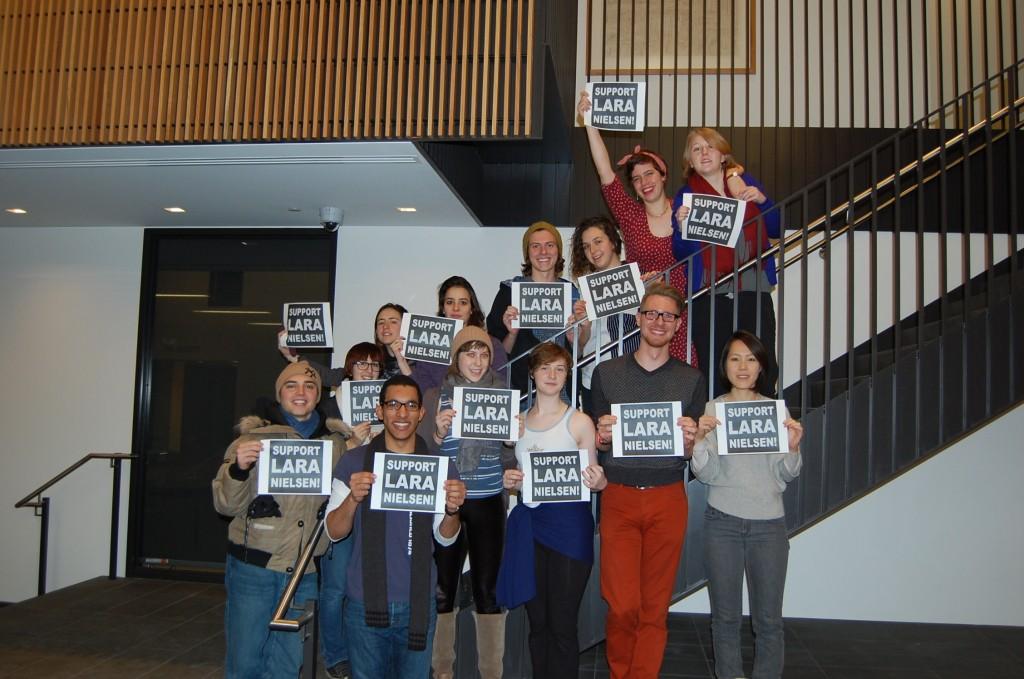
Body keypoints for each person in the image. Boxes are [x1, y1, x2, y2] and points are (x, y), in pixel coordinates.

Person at [590, 282, 708, 679]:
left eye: (668, 316)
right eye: (652, 313)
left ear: (678, 325)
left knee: (655, 607)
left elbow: (690, 454)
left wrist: (692, 442)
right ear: (638, 318)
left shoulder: (692, 379)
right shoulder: (605, 374)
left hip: (668, 496)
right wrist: (601, 436)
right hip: (619, 497)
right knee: (621, 604)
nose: (659, 321)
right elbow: (598, 441)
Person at [578, 90, 739, 367]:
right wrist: (589, 123)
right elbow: (605, 172)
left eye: (650, 173)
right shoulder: (630, 216)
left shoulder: (686, 207)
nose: (644, 182)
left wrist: (735, 175)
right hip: (650, 314)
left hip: (688, 311)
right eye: (637, 179)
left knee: (691, 376)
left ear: (663, 175)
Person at [323, 374, 467, 679]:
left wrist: (453, 510)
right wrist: (352, 498)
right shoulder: (354, 461)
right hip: (364, 603)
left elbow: (445, 539)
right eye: (393, 405)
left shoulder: (440, 465)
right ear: (379, 411)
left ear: (421, 413)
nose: (402, 414)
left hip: (417, 602)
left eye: (410, 406)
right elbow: (333, 532)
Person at [212, 361, 345, 679]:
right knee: (245, 662)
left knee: (287, 664)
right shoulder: (252, 440)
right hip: (254, 569)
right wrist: (238, 470)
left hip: (304, 573)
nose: (301, 393)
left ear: (318, 395)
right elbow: (225, 504)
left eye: (309, 386)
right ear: (279, 393)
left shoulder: (335, 445)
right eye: (292, 385)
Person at [692, 330, 803, 679]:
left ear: (761, 368)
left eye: (751, 359)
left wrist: (794, 447)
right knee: (724, 619)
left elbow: (785, 475)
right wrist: (698, 441)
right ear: (724, 366)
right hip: (722, 523)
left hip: (768, 526)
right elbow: (707, 474)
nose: (743, 366)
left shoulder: (775, 411)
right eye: (735, 358)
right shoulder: (713, 409)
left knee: (768, 621)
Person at [497, 342, 606, 679]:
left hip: (570, 527)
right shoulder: (516, 425)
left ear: (567, 374)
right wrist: (510, 478)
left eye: (560, 368)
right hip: (530, 525)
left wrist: (600, 481)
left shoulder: (580, 422)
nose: (552, 375)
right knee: (538, 621)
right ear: (532, 373)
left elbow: (594, 480)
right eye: (546, 368)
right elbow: (512, 472)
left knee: (562, 623)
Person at [419, 325, 516, 679]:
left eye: (484, 354)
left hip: (489, 499)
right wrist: (439, 431)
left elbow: (509, 454)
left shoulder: (502, 394)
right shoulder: (435, 397)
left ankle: (491, 672)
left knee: (487, 590)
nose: (477, 362)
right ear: (456, 358)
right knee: (443, 588)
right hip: (449, 502)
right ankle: (442, 671)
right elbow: (424, 452)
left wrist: (510, 440)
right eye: (469, 353)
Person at [671, 127, 782, 395]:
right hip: (709, 294)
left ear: (723, 155)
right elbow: (680, 253)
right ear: (690, 161)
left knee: (761, 359)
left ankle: (764, 417)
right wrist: (682, 226)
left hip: (753, 287)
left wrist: (763, 201)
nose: (704, 152)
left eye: (709, 146)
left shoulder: (746, 183)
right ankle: (717, 427)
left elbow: (777, 228)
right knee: (714, 363)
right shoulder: (685, 197)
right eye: (696, 149)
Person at [317, 341, 386, 679]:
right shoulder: (329, 406)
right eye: (362, 365)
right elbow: (316, 460)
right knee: (334, 590)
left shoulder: (385, 406)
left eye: (374, 366)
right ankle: (335, 656)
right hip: (339, 503)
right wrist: (350, 443)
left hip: (376, 507)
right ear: (349, 368)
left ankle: (364, 652)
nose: (369, 370)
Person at [487, 221, 581, 394]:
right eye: (535, 246)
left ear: (558, 251)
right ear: (527, 253)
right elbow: (498, 355)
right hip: (521, 393)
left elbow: (580, 351)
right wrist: (512, 334)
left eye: (550, 245)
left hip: (564, 393)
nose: (543, 252)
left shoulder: (572, 293)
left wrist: (575, 338)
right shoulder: (509, 292)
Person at [569, 215, 641, 415]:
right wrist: (584, 326)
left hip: (632, 376)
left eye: (598, 241)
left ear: (613, 241)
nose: (592, 251)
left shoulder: (639, 279)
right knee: (600, 440)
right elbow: (581, 346)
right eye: (585, 246)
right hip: (592, 378)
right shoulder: (584, 290)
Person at [400, 275, 508, 393]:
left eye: (463, 302)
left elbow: (503, 386)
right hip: (438, 408)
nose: (456, 308)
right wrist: (402, 362)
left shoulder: (492, 344)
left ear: (472, 308)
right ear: (442, 308)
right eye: (450, 302)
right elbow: (422, 392)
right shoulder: (428, 344)